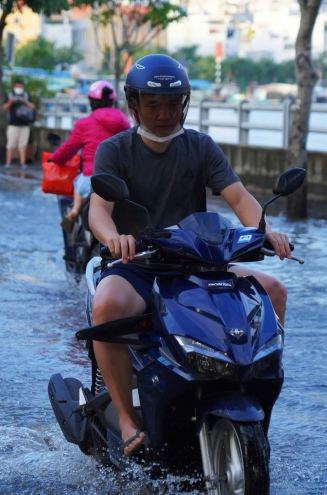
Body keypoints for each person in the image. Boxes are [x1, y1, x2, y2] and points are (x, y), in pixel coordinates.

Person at [88, 54, 293, 457]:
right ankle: (128, 419)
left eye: (172, 103)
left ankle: (251, 392)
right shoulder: (114, 151)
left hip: (198, 261)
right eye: (153, 103)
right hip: (138, 265)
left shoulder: (200, 146)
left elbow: (239, 198)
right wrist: (114, 238)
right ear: (134, 105)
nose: (164, 114)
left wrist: (266, 232)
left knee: (273, 291)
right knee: (107, 306)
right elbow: (99, 209)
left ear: (184, 103)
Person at [49, 80, 130, 232]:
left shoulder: (85, 123)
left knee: (79, 183)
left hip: (91, 178)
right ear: (111, 100)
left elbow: (68, 148)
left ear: (92, 101)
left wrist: (54, 158)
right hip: (120, 180)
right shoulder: (124, 121)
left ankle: (74, 211)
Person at [1, 79, 35, 168]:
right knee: (10, 144)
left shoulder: (26, 96)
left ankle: (22, 163)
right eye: (17, 86)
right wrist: (11, 102)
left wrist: (25, 102)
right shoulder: (10, 95)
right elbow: (4, 108)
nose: (18, 88)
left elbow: (33, 107)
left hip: (24, 124)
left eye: (20, 86)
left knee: (23, 145)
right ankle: (8, 163)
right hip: (13, 124)